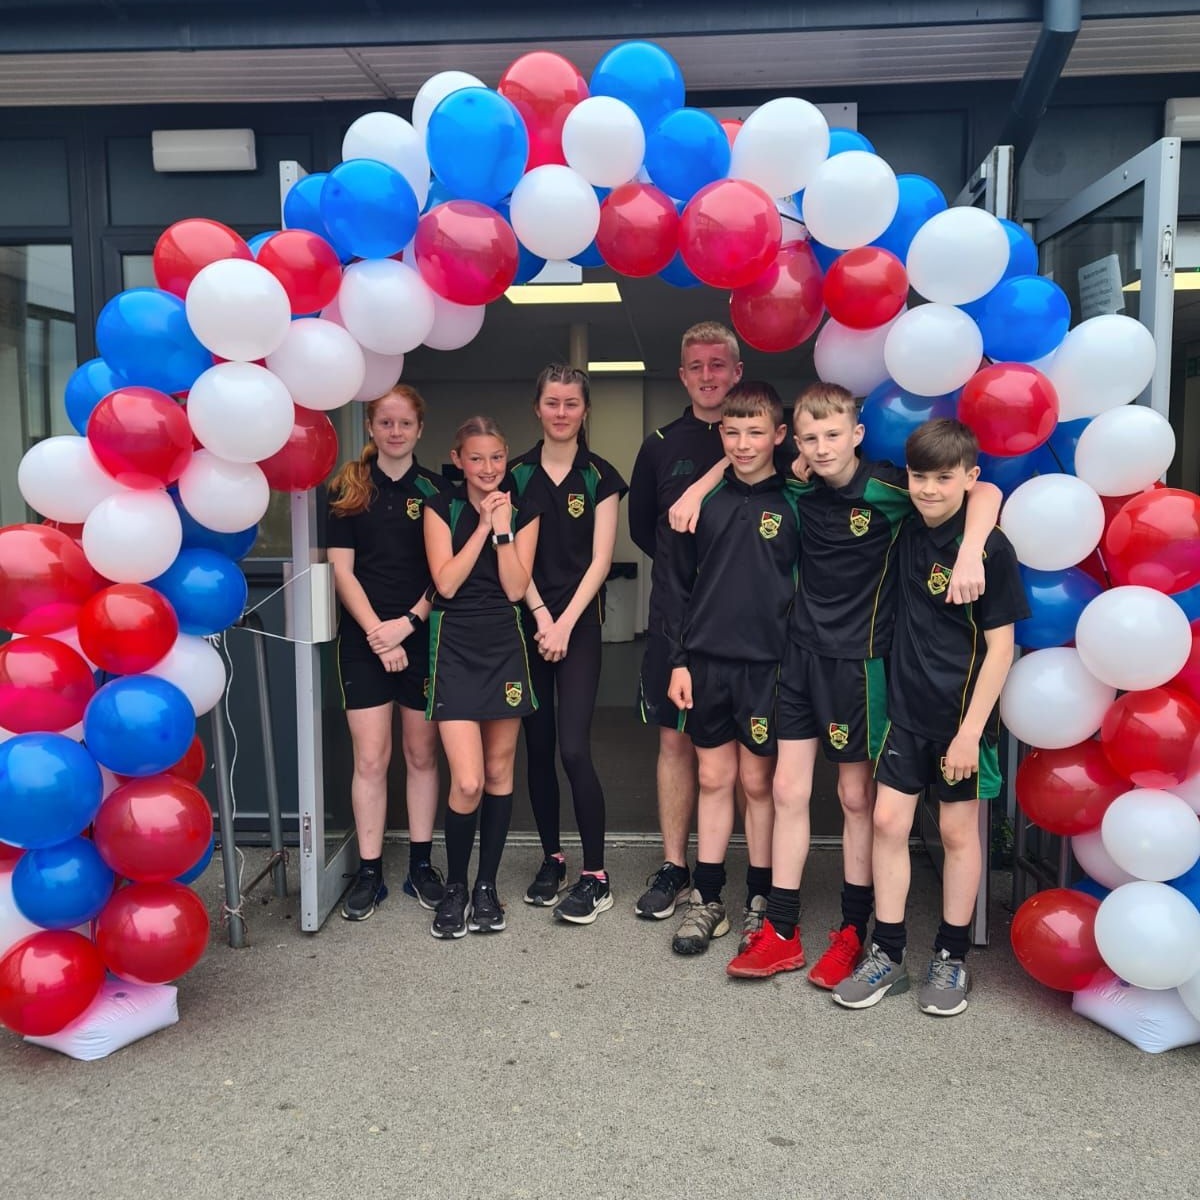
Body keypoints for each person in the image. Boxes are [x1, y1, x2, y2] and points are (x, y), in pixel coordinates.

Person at [674, 383, 1000, 986]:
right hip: (798, 660)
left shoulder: (890, 488)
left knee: (856, 800)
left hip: (863, 666)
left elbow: (982, 489)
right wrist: (699, 483)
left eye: (832, 435)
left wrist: (974, 549)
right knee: (788, 790)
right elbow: (740, 459)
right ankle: (782, 929)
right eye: (809, 438)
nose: (821, 448)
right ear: (795, 442)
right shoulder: (796, 488)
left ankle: (854, 930)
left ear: (855, 435)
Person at [831, 418, 1029, 1016]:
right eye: (920, 477)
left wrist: (970, 732)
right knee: (889, 824)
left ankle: (951, 958)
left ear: (968, 478)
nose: (928, 489)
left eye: (944, 478)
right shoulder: (906, 531)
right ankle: (888, 954)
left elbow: (1001, 649)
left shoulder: (990, 549)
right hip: (906, 714)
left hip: (960, 724)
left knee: (954, 833)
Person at [663, 382, 799, 959]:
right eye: (732, 432)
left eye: (755, 432)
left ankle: (760, 899)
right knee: (714, 780)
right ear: (720, 435)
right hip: (705, 664)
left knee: (755, 784)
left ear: (779, 436)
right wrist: (678, 659)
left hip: (768, 668)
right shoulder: (699, 505)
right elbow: (674, 588)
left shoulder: (797, 501)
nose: (743, 444)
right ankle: (709, 896)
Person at [627, 321, 756, 924]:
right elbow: (645, 532)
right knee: (675, 741)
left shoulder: (762, 439)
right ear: (683, 376)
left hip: (748, 625)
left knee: (751, 758)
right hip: (677, 619)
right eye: (696, 366)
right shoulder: (658, 445)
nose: (708, 376)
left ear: (737, 371)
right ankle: (677, 867)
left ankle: (757, 877)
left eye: (718, 365)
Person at [507, 364, 628, 924]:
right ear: (538, 408)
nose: (561, 412)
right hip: (529, 623)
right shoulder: (513, 476)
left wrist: (563, 623)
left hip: (578, 627)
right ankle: (552, 857)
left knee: (574, 749)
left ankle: (596, 874)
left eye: (571, 403)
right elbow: (511, 557)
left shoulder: (601, 476)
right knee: (537, 748)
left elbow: (601, 559)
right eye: (552, 402)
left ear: (584, 410)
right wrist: (539, 615)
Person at [326, 384, 446, 922]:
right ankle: (370, 871)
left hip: (422, 634)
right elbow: (342, 572)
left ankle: (421, 865)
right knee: (372, 758)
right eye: (385, 423)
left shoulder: (440, 491)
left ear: (420, 429)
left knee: (422, 756)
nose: (395, 432)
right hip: (363, 639)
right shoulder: (348, 489)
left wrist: (407, 624)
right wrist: (378, 632)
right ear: (371, 428)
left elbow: (446, 575)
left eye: (405, 423)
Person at [423, 416, 540, 940]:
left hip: (503, 644)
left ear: (506, 457)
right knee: (466, 780)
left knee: (497, 774)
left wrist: (504, 529)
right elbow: (445, 582)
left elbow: (516, 588)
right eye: (476, 458)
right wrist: (480, 529)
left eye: (496, 457)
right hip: (454, 645)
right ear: (457, 460)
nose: (488, 468)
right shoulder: (439, 508)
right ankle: (455, 887)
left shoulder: (524, 512)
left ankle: (486, 888)